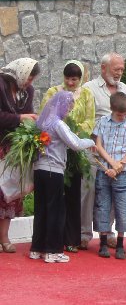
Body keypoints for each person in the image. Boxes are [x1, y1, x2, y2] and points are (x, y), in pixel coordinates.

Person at [30, 91, 95, 263]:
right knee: (56, 211)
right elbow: (75, 144)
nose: (68, 111)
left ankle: (37, 248)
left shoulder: (42, 122)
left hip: (39, 170)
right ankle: (52, 250)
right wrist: (91, 142)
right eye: (68, 108)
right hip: (54, 170)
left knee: (41, 209)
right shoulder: (58, 124)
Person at [39, 60, 95, 253]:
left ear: (80, 79)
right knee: (53, 197)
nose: (70, 83)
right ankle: (49, 239)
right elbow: (44, 115)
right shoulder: (53, 92)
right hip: (54, 149)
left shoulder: (86, 94)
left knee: (72, 195)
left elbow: (90, 120)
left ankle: (71, 239)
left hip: (74, 150)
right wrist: (63, 132)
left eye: (74, 79)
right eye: (67, 78)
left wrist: (74, 133)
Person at [81, 52, 126, 250]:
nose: (119, 73)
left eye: (122, 70)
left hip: (116, 152)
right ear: (103, 68)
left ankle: (108, 232)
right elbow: (83, 117)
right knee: (88, 190)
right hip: (93, 149)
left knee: (113, 191)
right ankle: (83, 234)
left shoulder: (124, 88)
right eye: (116, 69)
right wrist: (88, 139)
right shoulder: (89, 88)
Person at [93, 92, 126, 260]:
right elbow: (99, 145)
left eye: (125, 114)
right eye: (120, 115)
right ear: (112, 109)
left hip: (122, 171)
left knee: (123, 207)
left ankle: (120, 243)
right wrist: (111, 163)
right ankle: (103, 242)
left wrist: (120, 165)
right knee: (102, 205)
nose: (123, 117)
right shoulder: (103, 122)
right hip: (104, 170)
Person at [0, 58, 40, 252]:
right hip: (0, 145)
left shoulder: (27, 91)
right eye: (29, 78)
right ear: (22, 72)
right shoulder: (1, 84)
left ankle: (4, 237)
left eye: (32, 79)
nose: (29, 82)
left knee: (10, 194)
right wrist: (19, 118)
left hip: (14, 148)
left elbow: (28, 113)